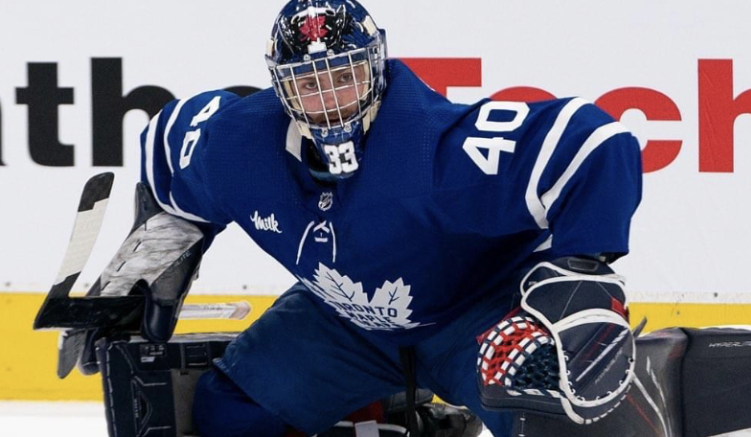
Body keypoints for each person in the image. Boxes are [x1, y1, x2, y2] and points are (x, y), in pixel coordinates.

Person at [132, 0, 643, 435]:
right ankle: (381, 417)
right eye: (308, 84)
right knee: (227, 415)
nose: (329, 101)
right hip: (348, 318)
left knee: (562, 423)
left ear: (376, 66)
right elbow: (165, 143)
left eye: (344, 76)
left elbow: (597, 143)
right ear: (281, 88)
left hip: (479, 318)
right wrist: (153, 258)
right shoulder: (237, 148)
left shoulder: (439, 150)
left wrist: (581, 276)